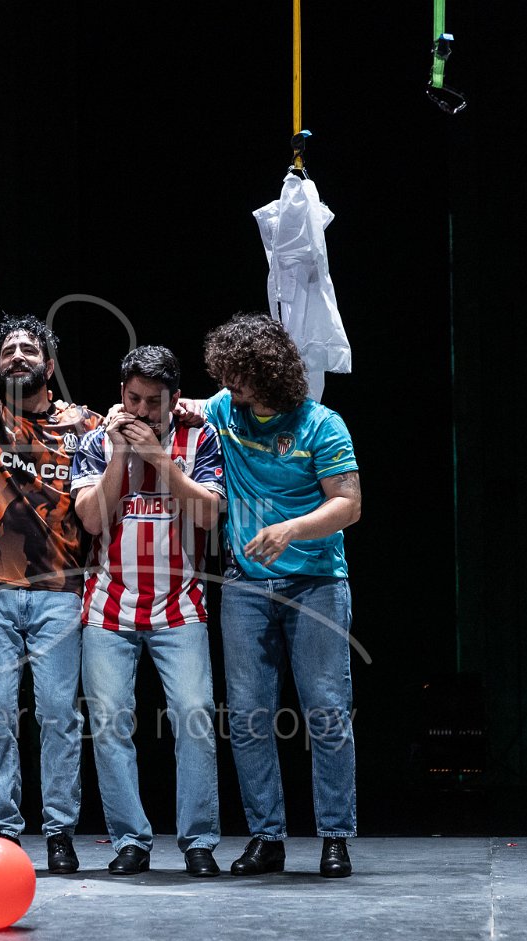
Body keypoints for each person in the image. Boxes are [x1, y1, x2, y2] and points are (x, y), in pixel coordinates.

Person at [0, 256, 103, 873]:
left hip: (60, 591)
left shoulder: (87, 424)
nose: (17, 356)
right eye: (7, 350)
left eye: (29, 348)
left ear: (49, 365)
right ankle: (4, 831)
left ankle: (59, 831)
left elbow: (149, 419)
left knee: (60, 716)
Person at [189, 312, 363, 878]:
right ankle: (267, 837)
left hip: (316, 583)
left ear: (266, 373)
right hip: (245, 587)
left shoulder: (321, 425)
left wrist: (291, 529)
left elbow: (348, 505)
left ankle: (335, 835)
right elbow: (179, 407)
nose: (228, 384)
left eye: (237, 375)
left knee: (326, 711)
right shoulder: (225, 409)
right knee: (247, 717)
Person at [71, 345, 227, 877]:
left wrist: (160, 460)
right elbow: (93, 521)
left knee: (195, 717)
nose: (141, 412)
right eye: (133, 399)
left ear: (175, 399)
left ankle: (199, 841)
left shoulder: (200, 438)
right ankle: (130, 841)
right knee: (110, 724)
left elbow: (208, 515)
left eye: (153, 403)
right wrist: (120, 455)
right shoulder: (95, 440)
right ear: (121, 394)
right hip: (108, 607)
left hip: (180, 606)